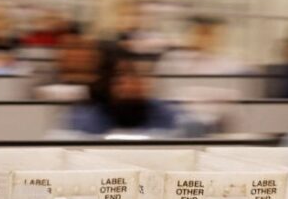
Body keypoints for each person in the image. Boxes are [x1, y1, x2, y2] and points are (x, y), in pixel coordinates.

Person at [66, 47, 201, 137]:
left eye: (136, 74)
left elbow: (191, 125)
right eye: (120, 77)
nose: (133, 82)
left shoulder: (155, 108)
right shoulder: (87, 116)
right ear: (105, 83)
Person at [157, 16, 249, 75]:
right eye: (203, 33)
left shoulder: (230, 64)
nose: (207, 40)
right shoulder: (173, 60)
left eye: (214, 34)